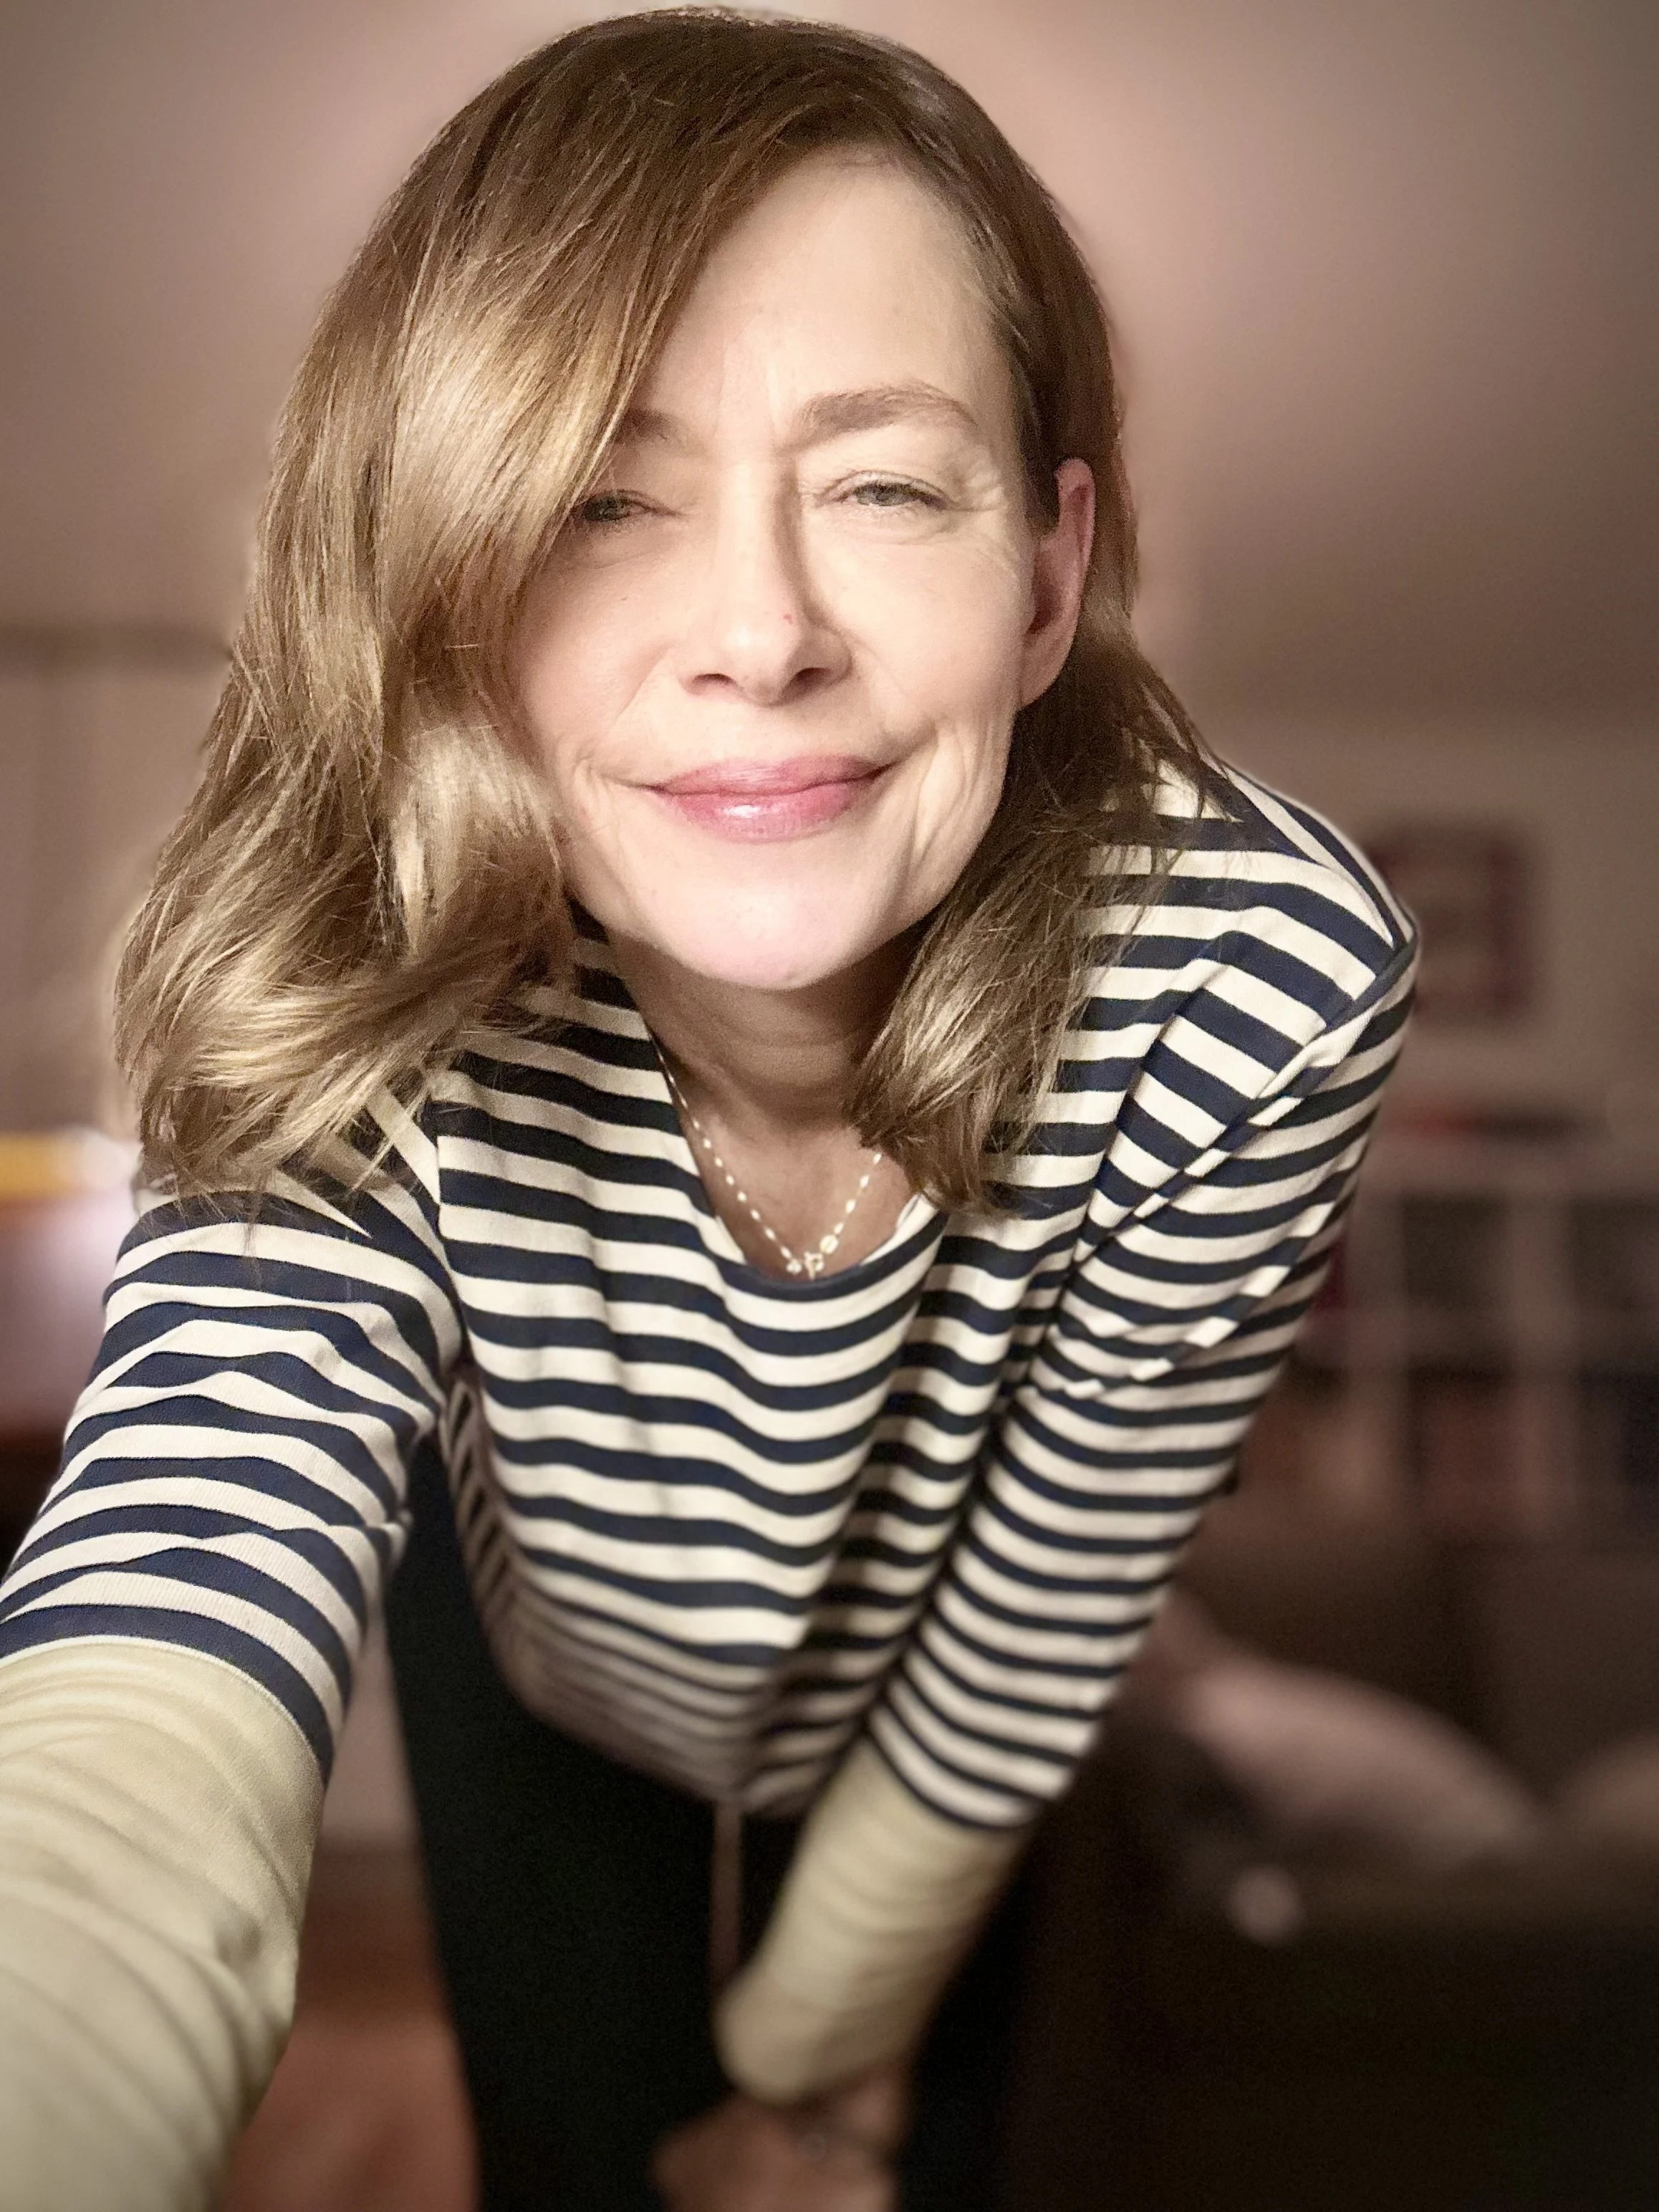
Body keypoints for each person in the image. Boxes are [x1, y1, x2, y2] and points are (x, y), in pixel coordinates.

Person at [0, 11, 1416, 2210]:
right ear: (442, 575)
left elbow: (1043, 1612)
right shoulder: (348, 947)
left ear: (1045, 576)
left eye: (878, 483)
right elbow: (158, 1630)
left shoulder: (1248, 982)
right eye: (599, 497)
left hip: (948, 1689)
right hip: (536, 1647)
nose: (756, 633)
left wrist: (823, 2065)